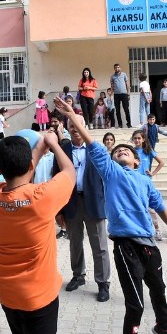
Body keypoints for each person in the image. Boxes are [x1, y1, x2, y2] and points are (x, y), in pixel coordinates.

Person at [52, 95, 167, 334]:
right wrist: (71, 116)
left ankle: (164, 326)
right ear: (110, 161)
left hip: (149, 245)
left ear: (137, 161)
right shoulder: (111, 172)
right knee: (136, 303)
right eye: (117, 152)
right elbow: (92, 143)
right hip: (126, 246)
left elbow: (161, 208)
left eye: (127, 151)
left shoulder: (145, 181)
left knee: (159, 291)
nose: (121, 151)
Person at [0, 132, 75, 334]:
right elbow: (69, 172)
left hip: (7, 292)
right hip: (38, 296)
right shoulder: (41, 197)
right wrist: (53, 144)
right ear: (29, 165)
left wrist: (39, 149)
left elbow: (22, 174)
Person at [53, 117, 111, 302]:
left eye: (78, 125)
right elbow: (56, 177)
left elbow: (108, 177)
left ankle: (103, 282)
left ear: (84, 127)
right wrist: (58, 209)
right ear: (68, 129)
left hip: (94, 201)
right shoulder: (63, 150)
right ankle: (78, 275)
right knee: (75, 242)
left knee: (99, 244)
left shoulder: (96, 149)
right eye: (71, 126)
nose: (75, 129)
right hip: (71, 202)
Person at [131, 130, 165, 241]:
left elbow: (161, 162)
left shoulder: (148, 150)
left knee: (151, 207)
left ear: (143, 139)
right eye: (135, 138)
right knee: (135, 206)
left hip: (146, 183)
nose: (137, 140)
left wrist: (153, 173)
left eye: (139, 138)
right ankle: (139, 229)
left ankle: (157, 229)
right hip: (134, 182)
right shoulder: (131, 151)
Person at [110, 63, 132, 129]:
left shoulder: (124, 74)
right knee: (117, 110)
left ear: (120, 68)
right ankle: (120, 124)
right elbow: (112, 86)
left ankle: (129, 124)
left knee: (126, 109)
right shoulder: (112, 76)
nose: (117, 68)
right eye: (116, 67)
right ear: (114, 69)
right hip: (116, 95)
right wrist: (111, 95)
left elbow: (127, 84)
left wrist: (128, 93)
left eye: (118, 67)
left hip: (124, 94)